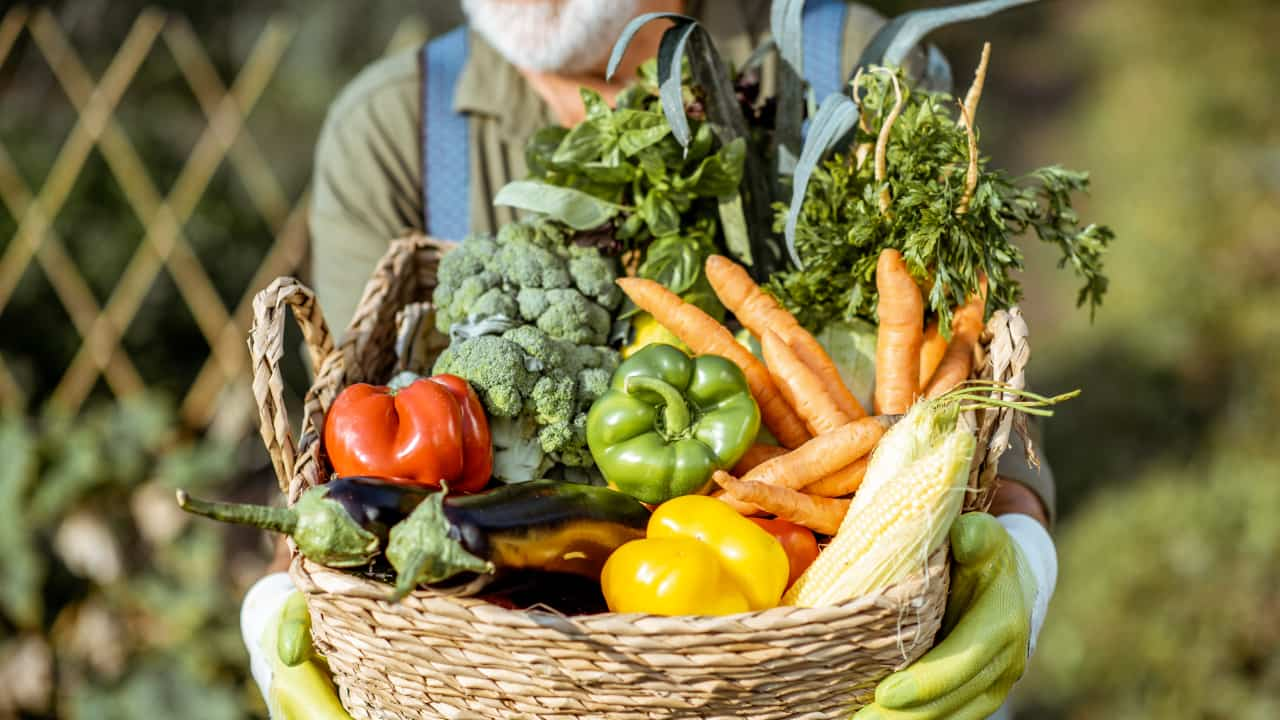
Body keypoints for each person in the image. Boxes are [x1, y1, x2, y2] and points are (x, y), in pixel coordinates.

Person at [243, 2, 1059, 719]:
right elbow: (341, 476)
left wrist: (1022, 558)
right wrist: (282, 607)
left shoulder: (849, 63)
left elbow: (981, 394)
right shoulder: (391, 129)